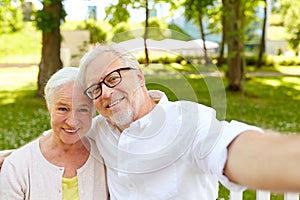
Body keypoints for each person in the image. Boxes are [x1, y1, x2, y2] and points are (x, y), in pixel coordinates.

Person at [77, 44, 300, 199]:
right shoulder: (98, 131)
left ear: (139, 76)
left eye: (113, 78)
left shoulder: (189, 122)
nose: (105, 93)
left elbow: (231, 149)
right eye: (95, 89)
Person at [0, 67, 108, 199]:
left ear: (93, 109)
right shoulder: (17, 166)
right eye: (63, 109)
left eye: (83, 110)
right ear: (49, 105)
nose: (72, 122)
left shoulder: (106, 158)